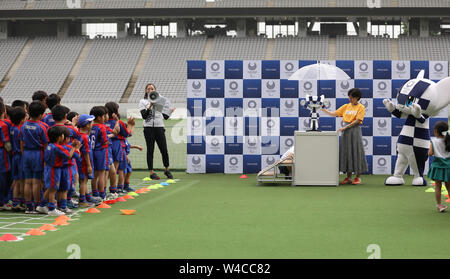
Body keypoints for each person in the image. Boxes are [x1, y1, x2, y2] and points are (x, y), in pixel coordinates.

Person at [321, 88, 368, 185]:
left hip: (355, 131)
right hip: (345, 131)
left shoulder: (361, 107)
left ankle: (357, 177)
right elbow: (334, 113)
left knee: (356, 151)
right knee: (346, 152)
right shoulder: (346, 106)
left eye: (352, 97)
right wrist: (323, 109)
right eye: (349, 97)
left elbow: (358, 121)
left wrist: (345, 127)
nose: (350, 99)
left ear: (357, 98)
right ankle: (348, 177)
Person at [139, 83, 175, 180]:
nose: (150, 90)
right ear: (146, 91)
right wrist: (150, 105)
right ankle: (151, 172)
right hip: (148, 128)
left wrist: (170, 112)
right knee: (150, 150)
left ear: (155, 90)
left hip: (159, 127)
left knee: (164, 149)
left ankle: (167, 170)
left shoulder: (161, 100)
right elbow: (144, 116)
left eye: (152, 88)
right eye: (148, 89)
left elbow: (165, 117)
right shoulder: (143, 101)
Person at [20, 101, 48, 214]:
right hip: (37, 154)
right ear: (41, 114)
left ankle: (28, 207)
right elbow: (46, 145)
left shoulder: (24, 125)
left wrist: (24, 154)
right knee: (36, 182)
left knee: (27, 181)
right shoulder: (43, 126)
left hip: (26, 153)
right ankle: (37, 205)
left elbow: (21, 142)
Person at [105, 102, 135, 193]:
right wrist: (131, 125)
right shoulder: (118, 122)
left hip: (107, 144)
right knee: (120, 168)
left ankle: (101, 189)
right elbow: (128, 134)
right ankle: (118, 188)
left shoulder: (104, 122)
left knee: (107, 169)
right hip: (118, 145)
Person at [427, 121, 450, 212]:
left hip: (438, 167)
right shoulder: (448, 140)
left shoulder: (433, 141)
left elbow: (430, 153)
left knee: (438, 186)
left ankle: (439, 205)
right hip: (448, 167)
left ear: (436, 131)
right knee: (449, 187)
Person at [90, 106, 110, 201]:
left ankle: (94, 193)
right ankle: (102, 195)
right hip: (100, 151)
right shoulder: (102, 127)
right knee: (102, 173)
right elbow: (105, 141)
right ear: (98, 117)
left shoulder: (89, 126)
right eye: (103, 116)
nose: (104, 118)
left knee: (94, 174)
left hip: (91, 152)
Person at [10, 107, 27, 211]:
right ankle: (22, 201)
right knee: (22, 180)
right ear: (22, 119)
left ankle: (15, 201)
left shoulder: (12, 128)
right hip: (20, 156)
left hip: (14, 156)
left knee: (16, 179)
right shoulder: (20, 129)